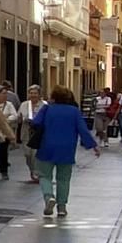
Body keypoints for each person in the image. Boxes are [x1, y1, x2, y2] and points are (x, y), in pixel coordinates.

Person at [31, 86, 102, 217]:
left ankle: (49, 197)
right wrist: (93, 145)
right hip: (67, 148)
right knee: (63, 179)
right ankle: (62, 207)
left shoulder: (47, 109)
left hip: (47, 146)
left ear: (53, 97)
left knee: (44, 175)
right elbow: (83, 129)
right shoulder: (74, 111)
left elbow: (35, 122)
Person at [17, 84, 49, 183]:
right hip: (26, 132)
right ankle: (32, 170)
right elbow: (19, 117)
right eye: (31, 93)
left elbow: (47, 119)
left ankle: (36, 172)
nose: (33, 95)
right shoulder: (24, 104)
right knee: (27, 154)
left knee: (35, 154)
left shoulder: (44, 105)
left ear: (39, 94)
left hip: (38, 134)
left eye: (35, 93)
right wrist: (21, 119)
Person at [0, 87, 17, 179]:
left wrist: (6, 120)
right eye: (3, 93)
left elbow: (14, 115)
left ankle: (4, 171)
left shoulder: (9, 105)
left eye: (6, 94)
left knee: (3, 152)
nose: (5, 96)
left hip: (4, 132)